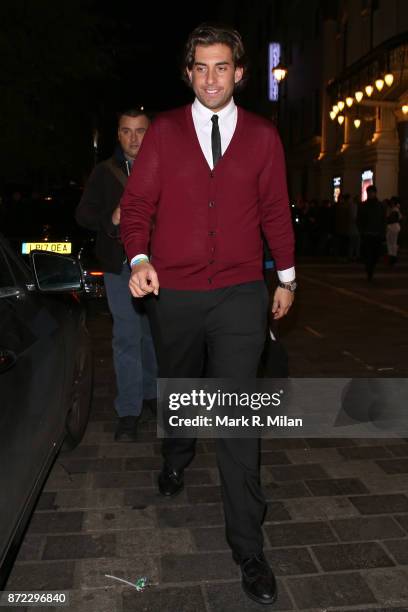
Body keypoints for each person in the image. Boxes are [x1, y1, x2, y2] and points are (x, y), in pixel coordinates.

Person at [120, 24, 295, 606]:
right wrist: (140, 257)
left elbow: (275, 209)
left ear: (240, 73)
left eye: (222, 67)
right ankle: (176, 451)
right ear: (188, 72)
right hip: (175, 292)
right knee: (181, 391)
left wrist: (287, 277)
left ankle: (249, 546)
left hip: (242, 292)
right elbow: (139, 204)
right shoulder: (165, 132)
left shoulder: (265, 137)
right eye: (201, 67)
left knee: (238, 416)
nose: (212, 77)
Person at [76, 109, 157, 442]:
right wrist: (112, 217)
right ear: (118, 135)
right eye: (127, 131)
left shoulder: (164, 167)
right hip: (119, 266)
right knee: (126, 336)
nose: (134, 138)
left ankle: (151, 393)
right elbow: (83, 215)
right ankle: (128, 410)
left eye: (140, 131)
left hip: (160, 266)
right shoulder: (104, 172)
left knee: (153, 335)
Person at [358, 184, 385, 281]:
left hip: (377, 234)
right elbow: (359, 220)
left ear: (375, 193)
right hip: (367, 234)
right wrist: (361, 231)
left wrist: (382, 233)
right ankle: (369, 270)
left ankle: (370, 268)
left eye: (371, 193)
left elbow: (383, 220)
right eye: (368, 193)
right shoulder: (363, 206)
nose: (370, 194)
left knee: (375, 255)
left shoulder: (380, 206)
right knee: (368, 254)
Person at [386, 197, 402, 266]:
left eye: (392, 202)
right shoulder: (394, 209)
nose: (391, 203)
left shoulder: (395, 210)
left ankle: (392, 257)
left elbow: (392, 219)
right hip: (393, 227)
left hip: (393, 227)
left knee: (392, 243)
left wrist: (388, 219)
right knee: (391, 243)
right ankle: (392, 257)